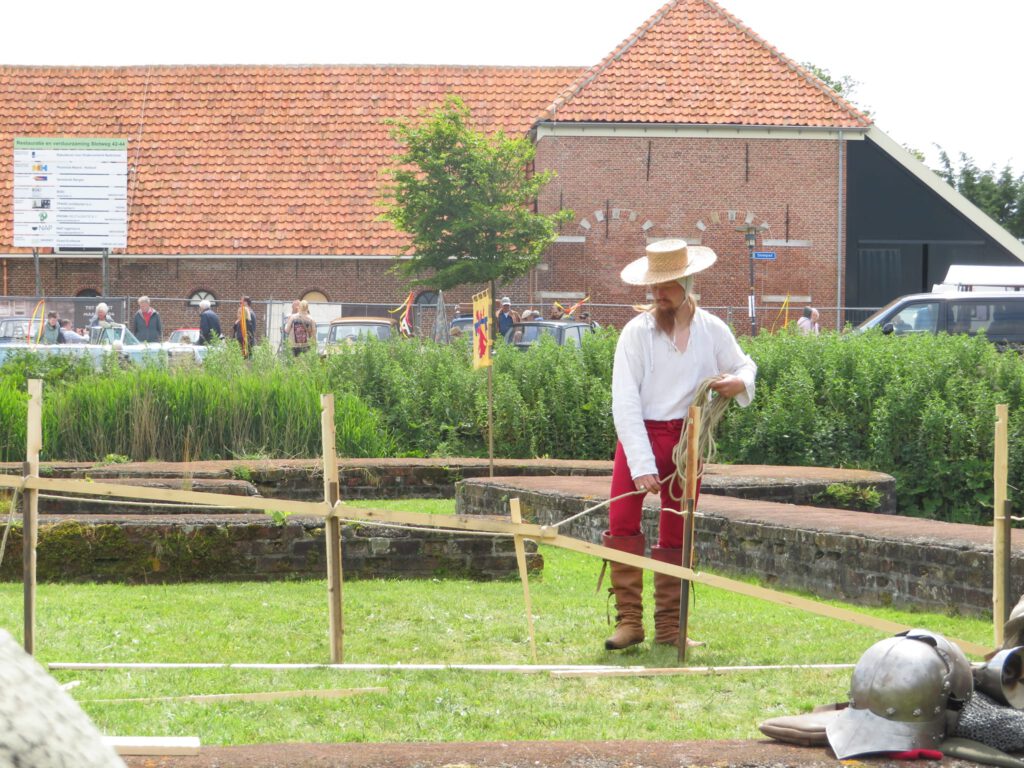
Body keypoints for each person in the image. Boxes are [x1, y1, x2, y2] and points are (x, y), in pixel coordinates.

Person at [603, 238, 756, 651]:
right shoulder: (635, 333)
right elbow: (625, 399)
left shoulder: (712, 329)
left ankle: (671, 628)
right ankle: (629, 622)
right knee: (621, 525)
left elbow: (745, 364)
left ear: (687, 282)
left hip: (688, 439)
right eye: (655, 286)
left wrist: (740, 381)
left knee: (678, 531)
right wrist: (640, 462)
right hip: (640, 435)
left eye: (667, 285)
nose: (658, 294)